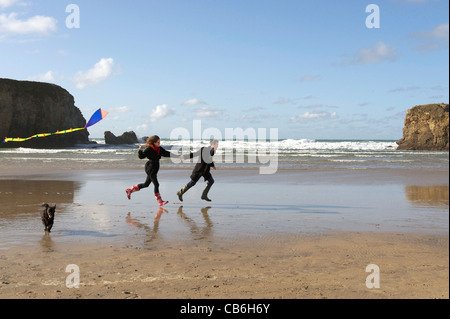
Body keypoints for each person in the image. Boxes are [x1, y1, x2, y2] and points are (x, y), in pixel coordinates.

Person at [125, 135, 175, 206]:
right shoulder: (149, 149)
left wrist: (177, 156)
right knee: (156, 184)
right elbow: (141, 156)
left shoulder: (159, 149)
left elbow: (167, 153)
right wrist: (140, 150)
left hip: (155, 167)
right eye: (158, 142)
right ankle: (160, 201)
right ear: (154, 142)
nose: (159, 143)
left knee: (146, 184)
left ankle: (129, 190)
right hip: (150, 167)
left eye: (159, 142)